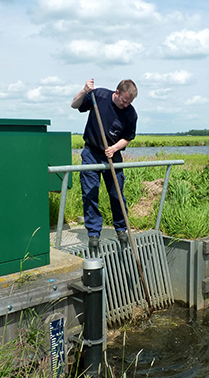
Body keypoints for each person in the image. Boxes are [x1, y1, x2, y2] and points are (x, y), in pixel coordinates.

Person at [71, 78, 138, 255]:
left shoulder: (131, 113)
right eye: (124, 101)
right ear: (116, 93)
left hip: (112, 154)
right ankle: (93, 233)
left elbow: (128, 137)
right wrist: (84, 90)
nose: (125, 105)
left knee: (117, 193)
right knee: (90, 192)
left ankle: (121, 229)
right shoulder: (98, 96)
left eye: (129, 102)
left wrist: (114, 148)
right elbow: (74, 105)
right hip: (91, 152)